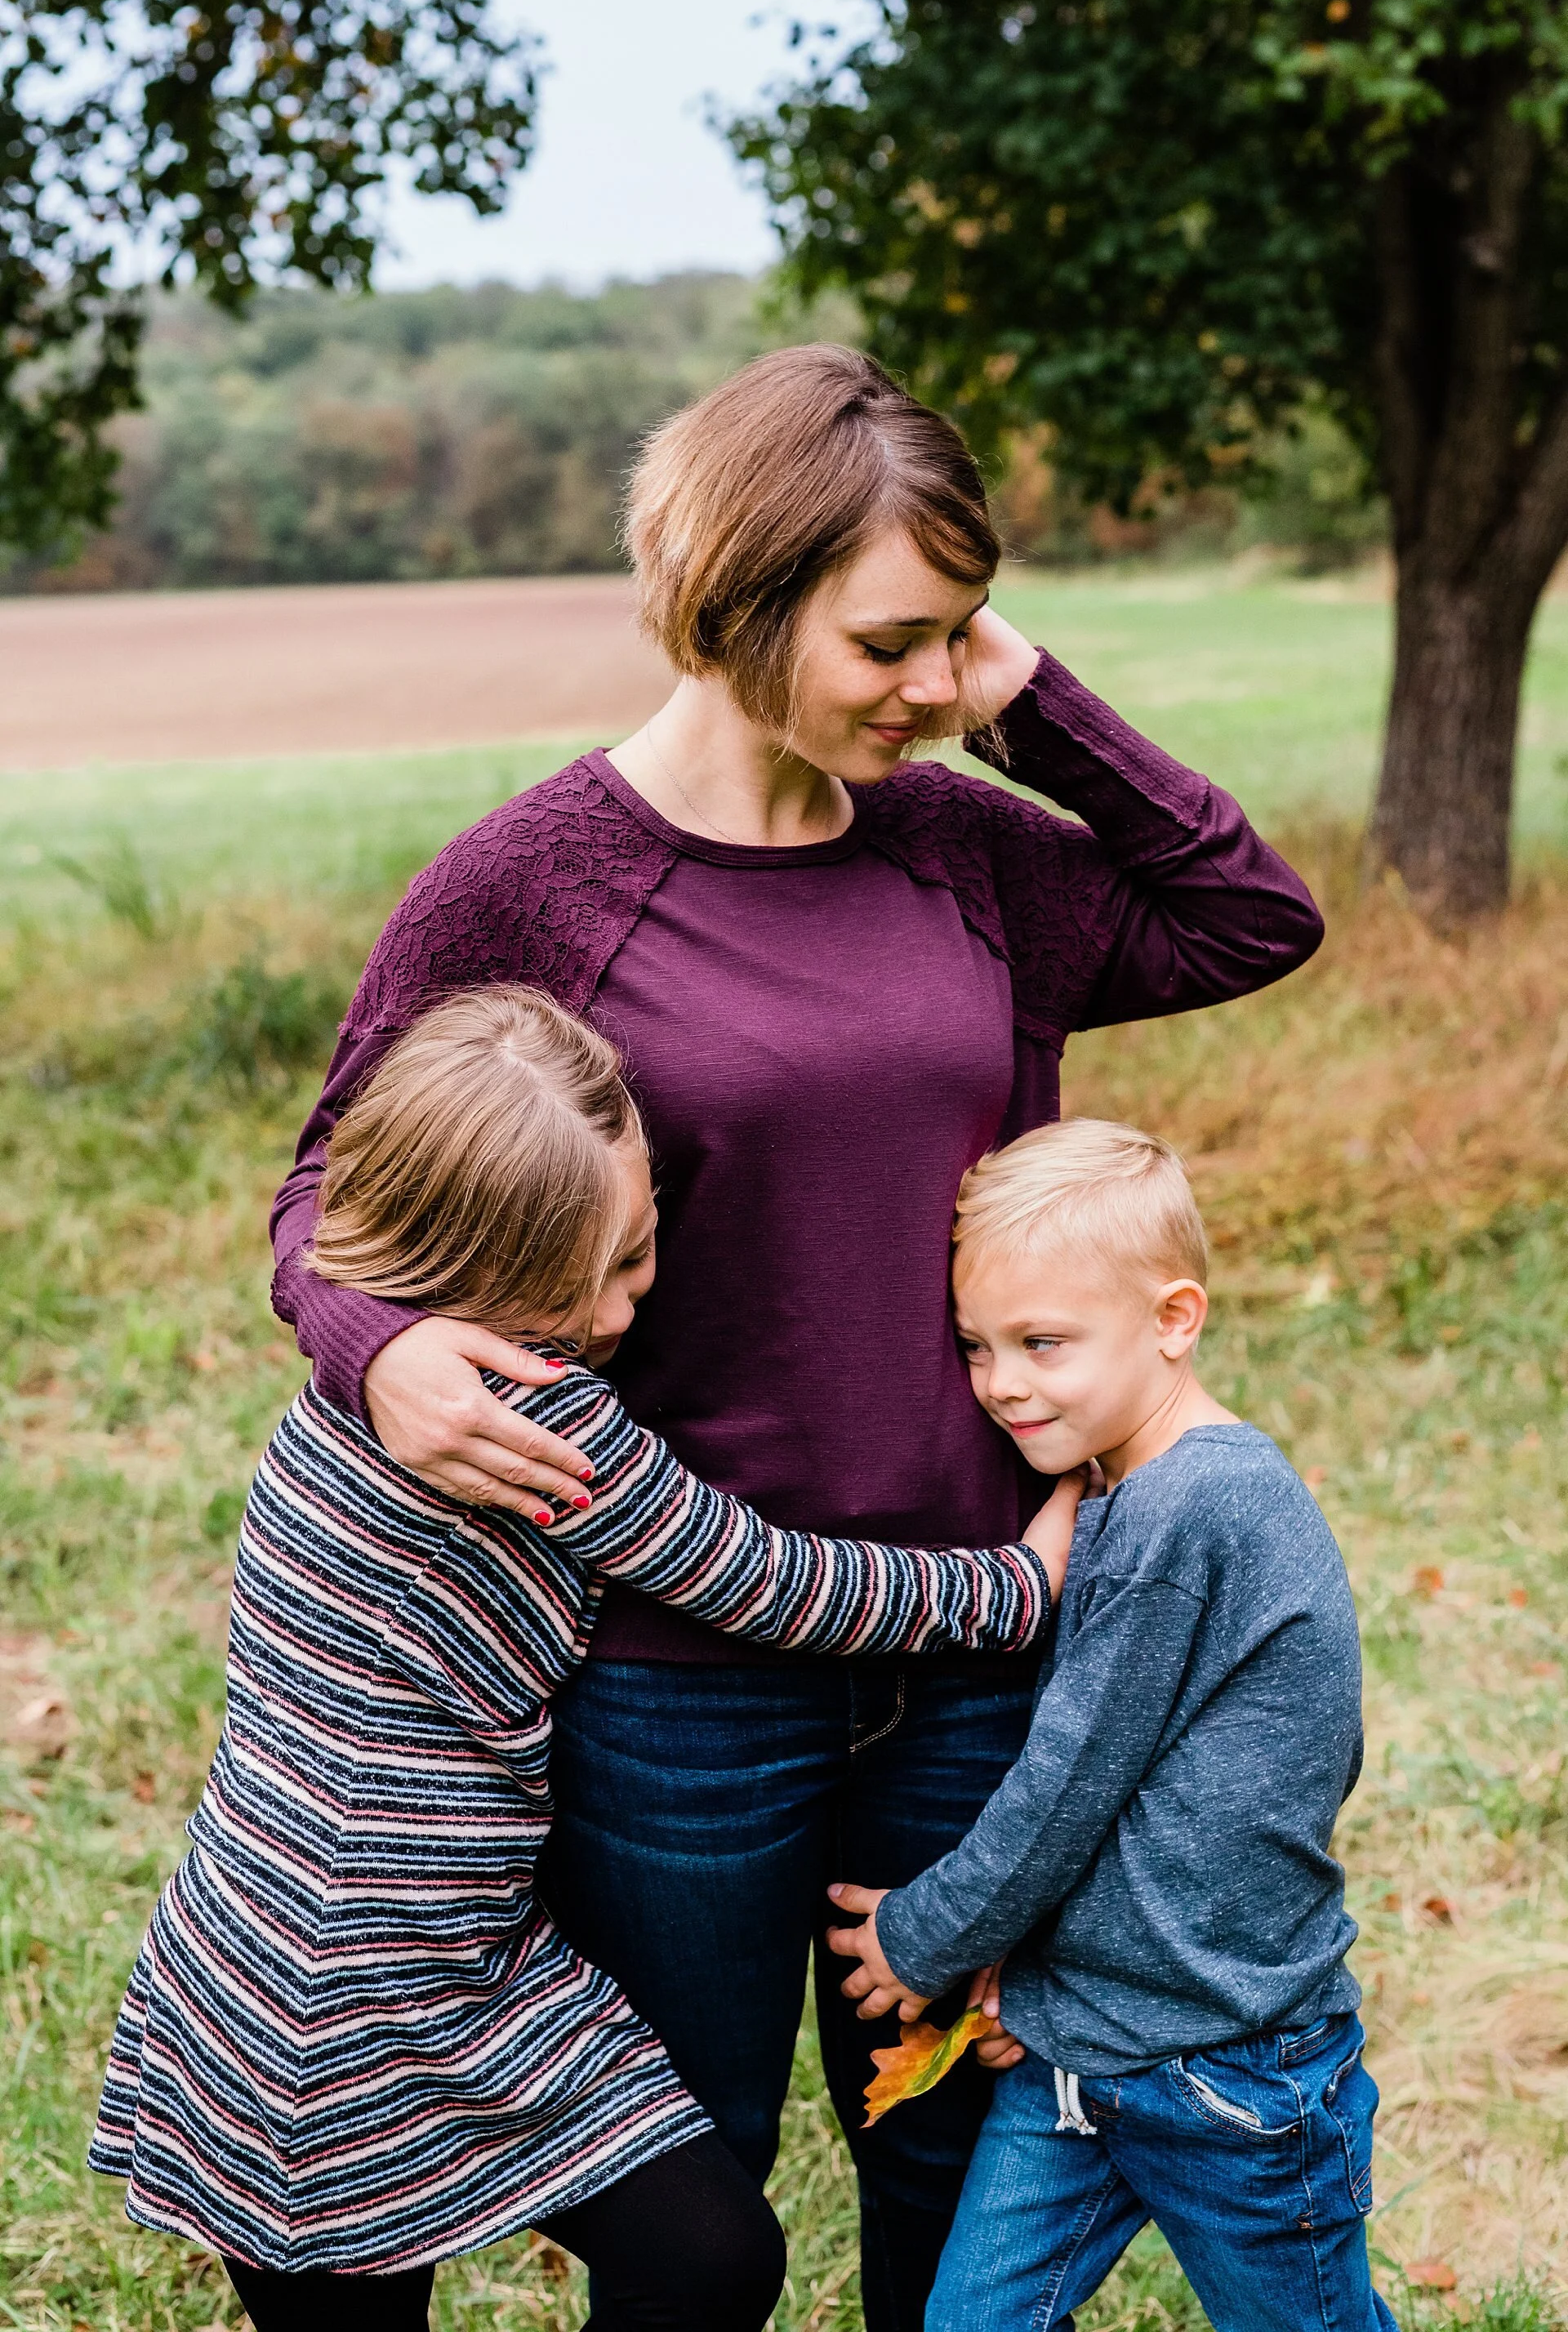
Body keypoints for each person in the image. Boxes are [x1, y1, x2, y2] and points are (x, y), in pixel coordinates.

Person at [268, 344, 1325, 2327]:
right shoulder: (529, 885)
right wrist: (378, 1350)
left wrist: (1030, 707)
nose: (936, 684)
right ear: (737, 603)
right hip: (680, 1678)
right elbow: (326, 1200)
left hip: (997, 1638)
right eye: (894, 640)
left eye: (963, 636)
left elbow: (1248, 916)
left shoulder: (962, 845)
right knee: (701, 2181)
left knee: (950, 2147)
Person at [90, 987, 1072, 2332]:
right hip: (377, 1964)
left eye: (645, 1241)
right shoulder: (536, 1428)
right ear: (491, 1274)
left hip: (264, 1929)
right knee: (707, 2259)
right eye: (613, 1267)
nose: (642, 1293)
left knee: (636, 2258)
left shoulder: (361, 1381)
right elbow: (769, 1582)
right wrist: (1020, 1585)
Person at [827, 1119, 1395, 2332]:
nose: (1002, 1384)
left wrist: (923, 1938)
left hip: (1229, 2076)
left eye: (1044, 1343)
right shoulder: (1126, 1490)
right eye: (978, 1347)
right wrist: (1034, 1979)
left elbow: (1067, 1785)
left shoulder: (1192, 1512)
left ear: (1174, 1319)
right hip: (1081, 2070)